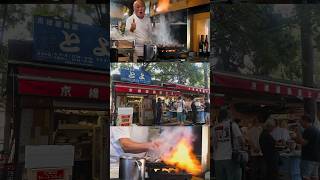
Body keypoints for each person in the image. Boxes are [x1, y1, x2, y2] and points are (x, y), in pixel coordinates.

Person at [213, 108, 244, 180]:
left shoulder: (215, 127)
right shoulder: (233, 125)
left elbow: (214, 143)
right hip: (230, 157)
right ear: (228, 116)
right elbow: (241, 140)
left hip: (217, 158)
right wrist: (242, 149)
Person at [293, 114, 320, 180]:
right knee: (314, 176)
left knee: (305, 177)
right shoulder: (315, 129)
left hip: (308, 158)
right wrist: (295, 139)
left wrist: (298, 132)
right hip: (316, 157)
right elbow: (305, 142)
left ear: (305, 121)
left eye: (301, 121)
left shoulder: (309, 130)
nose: (300, 123)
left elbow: (303, 143)